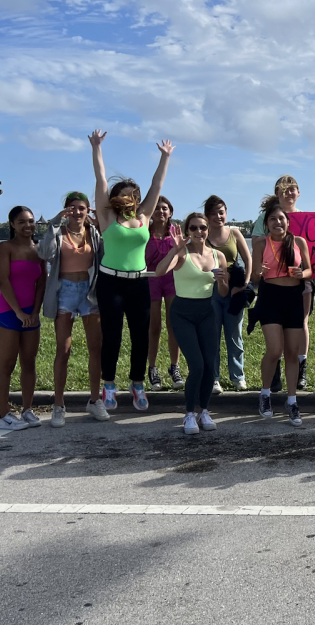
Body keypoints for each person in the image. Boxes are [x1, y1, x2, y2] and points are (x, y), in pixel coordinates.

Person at [89, 130, 173, 412]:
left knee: (141, 334)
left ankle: (137, 384)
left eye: (133, 196)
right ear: (115, 199)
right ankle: (109, 384)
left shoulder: (143, 217)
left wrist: (165, 157)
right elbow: (101, 179)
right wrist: (97, 148)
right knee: (112, 336)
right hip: (110, 282)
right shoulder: (106, 216)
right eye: (124, 195)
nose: (130, 199)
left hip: (138, 283)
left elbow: (156, 185)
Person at [154, 212, 228, 435]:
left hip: (207, 313)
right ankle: (188, 414)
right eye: (194, 228)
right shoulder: (182, 254)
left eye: (203, 228)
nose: (199, 232)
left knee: (208, 365)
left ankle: (203, 410)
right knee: (196, 365)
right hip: (182, 314)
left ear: (208, 230)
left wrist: (223, 281)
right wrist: (175, 250)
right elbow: (159, 272)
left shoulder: (218, 256)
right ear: (187, 231)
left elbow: (223, 293)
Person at [38, 192, 107, 426]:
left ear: (88, 210)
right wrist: (55, 222)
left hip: (89, 292)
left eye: (82, 208)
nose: (78, 212)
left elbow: (107, 258)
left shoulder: (94, 233)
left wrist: (103, 226)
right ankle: (58, 404)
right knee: (63, 350)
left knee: (96, 348)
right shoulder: (58, 232)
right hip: (64, 291)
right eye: (73, 208)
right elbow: (44, 253)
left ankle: (95, 400)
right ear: (66, 210)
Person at [249, 197, 312, 426]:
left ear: (288, 222)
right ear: (267, 224)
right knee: (274, 350)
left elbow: (310, 270)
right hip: (270, 297)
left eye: (281, 218)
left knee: (292, 353)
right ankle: (265, 394)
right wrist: (258, 271)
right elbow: (255, 277)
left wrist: (301, 275)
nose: (278, 222)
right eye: (273, 219)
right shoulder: (260, 244)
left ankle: (292, 401)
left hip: (294, 298)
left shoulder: (298, 242)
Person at [0, 206, 47, 431]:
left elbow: (42, 283)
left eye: (31, 221)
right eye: (22, 222)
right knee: (7, 363)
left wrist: (34, 312)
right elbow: (3, 281)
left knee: (29, 363)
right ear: (12, 224)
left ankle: (27, 409)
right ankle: (3, 414)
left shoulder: (39, 249)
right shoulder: (5, 247)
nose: (28, 226)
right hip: (8, 314)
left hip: (30, 315)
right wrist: (19, 313)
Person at [204, 195, 254, 393]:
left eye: (222, 212)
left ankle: (238, 376)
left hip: (234, 290)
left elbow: (248, 260)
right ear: (207, 216)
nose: (219, 216)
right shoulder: (203, 235)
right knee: (212, 336)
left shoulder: (234, 233)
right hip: (210, 291)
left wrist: (245, 284)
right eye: (214, 213)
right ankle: (214, 378)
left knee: (235, 336)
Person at [146, 197, 184, 392]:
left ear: (170, 212)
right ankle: (152, 369)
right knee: (154, 326)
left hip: (171, 280)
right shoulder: (145, 231)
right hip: (150, 279)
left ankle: (174, 367)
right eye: (157, 208)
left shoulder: (175, 232)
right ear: (151, 212)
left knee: (173, 325)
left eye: (164, 208)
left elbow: (182, 256)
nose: (161, 211)